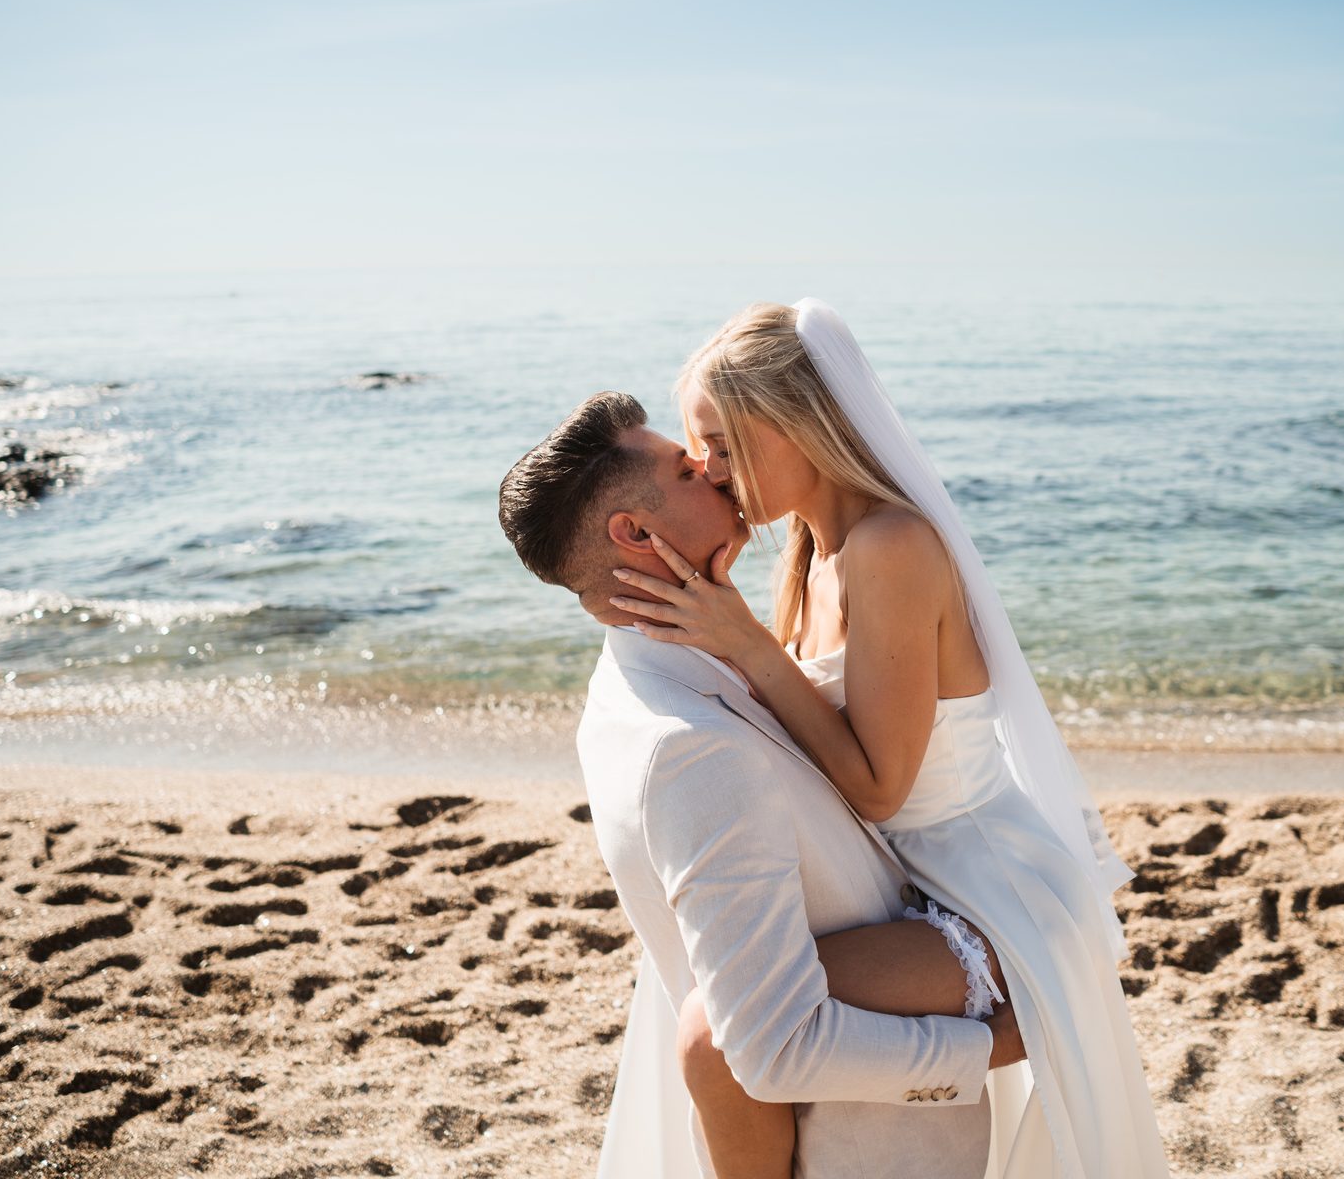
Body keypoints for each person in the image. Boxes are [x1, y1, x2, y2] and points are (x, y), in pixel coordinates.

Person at [601, 300, 1170, 1178]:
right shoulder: (807, 551)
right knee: (717, 1016)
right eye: (695, 450)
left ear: (796, 425)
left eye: (720, 443)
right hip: (899, 882)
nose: (709, 472)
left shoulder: (891, 545)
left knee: (719, 1036)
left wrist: (745, 640)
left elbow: (878, 788)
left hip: (985, 895)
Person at [497, 391, 1029, 1179]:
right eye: (688, 468)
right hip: (865, 1145)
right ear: (635, 533)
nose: (718, 473)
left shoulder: (636, 682)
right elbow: (775, 1046)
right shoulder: (691, 750)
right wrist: (1004, 1041)